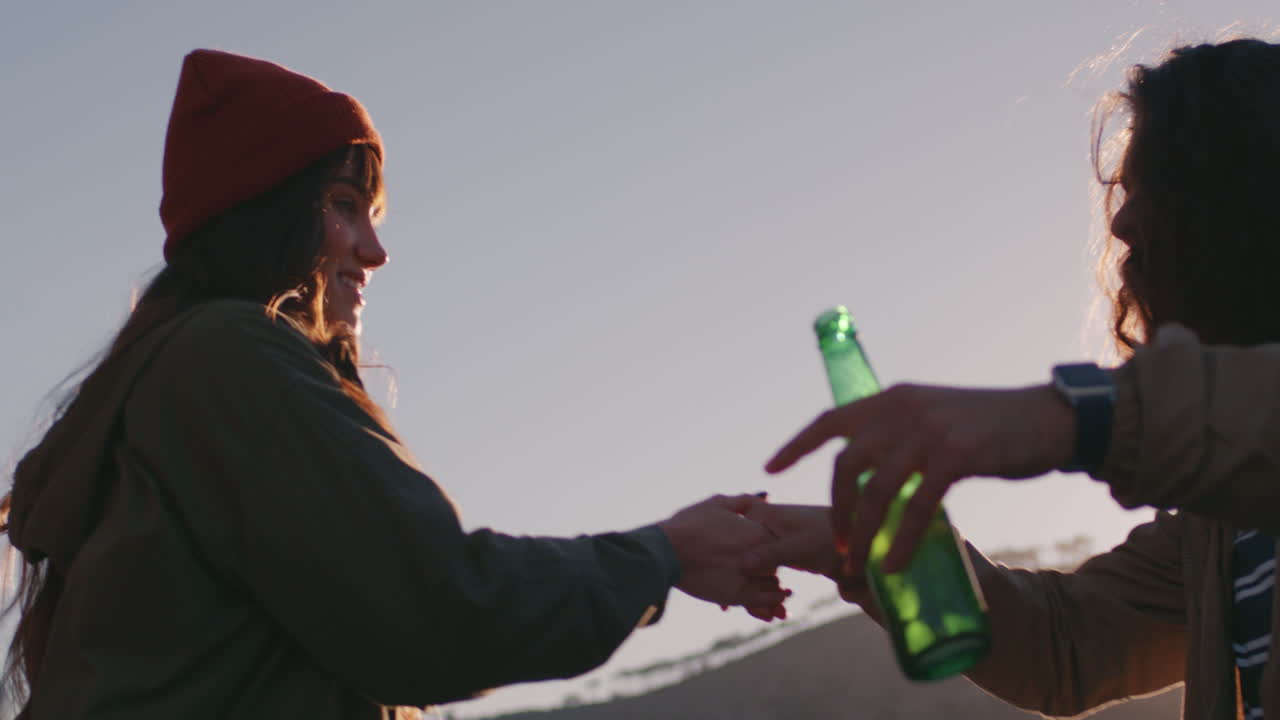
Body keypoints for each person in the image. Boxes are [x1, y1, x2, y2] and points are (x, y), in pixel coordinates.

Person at [0, 49, 788, 719]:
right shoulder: (229, 358)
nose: (375, 251)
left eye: (373, 213)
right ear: (263, 214)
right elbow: (438, 611)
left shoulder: (182, 381)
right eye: (344, 206)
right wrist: (659, 556)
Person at [748, 37, 1280, 720]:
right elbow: (1069, 644)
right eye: (1125, 191)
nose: (1121, 222)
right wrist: (864, 550)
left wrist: (1066, 416)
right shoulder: (1218, 520)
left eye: (1161, 184)